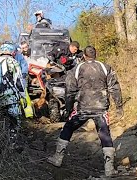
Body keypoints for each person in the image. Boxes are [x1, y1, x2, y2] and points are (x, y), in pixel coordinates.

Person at [46, 46, 124, 177]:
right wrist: (119, 107)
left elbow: (70, 91)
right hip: (101, 108)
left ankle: (58, 158)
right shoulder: (105, 67)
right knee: (105, 134)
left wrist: (69, 108)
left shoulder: (77, 69)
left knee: (68, 128)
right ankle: (109, 169)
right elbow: (114, 88)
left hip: (82, 108)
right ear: (95, 54)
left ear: (84, 56)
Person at [0, 43, 27, 128]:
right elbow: (18, 80)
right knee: (14, 122)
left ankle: (3, 139)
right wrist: (23, 96)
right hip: (11, 97)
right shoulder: (12, 62)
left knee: (2, 122)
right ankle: (13, 139)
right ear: (12, 52)